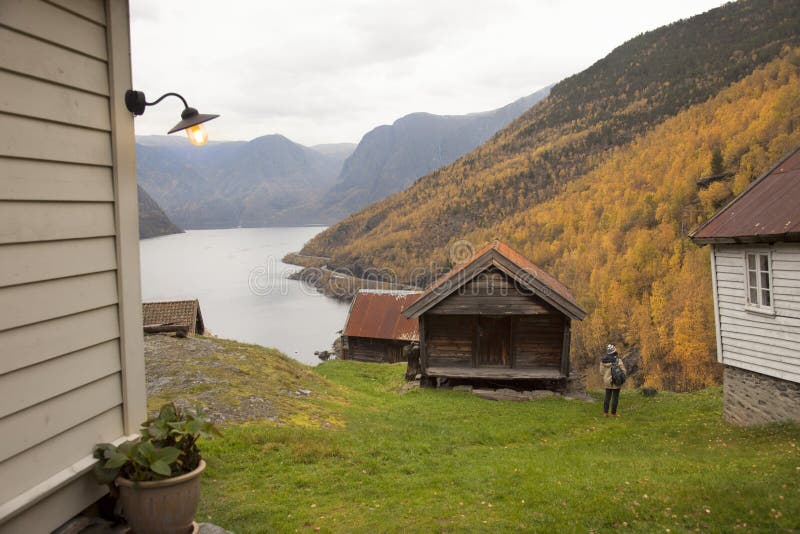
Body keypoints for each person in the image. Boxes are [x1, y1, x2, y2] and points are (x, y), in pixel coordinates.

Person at [600, 344, 626, 417]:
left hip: (607, 381)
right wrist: (622, 377)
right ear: (614, 351)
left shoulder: (603, 361)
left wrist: (606, 376)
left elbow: (601, 372)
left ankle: (605, 413)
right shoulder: (618, 360)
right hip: (616, 381)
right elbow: (623, 370)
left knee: (607, 397)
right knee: (615, 397)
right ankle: (613, 413)